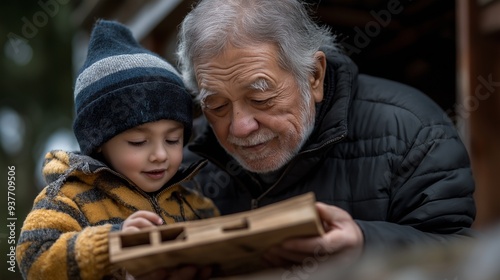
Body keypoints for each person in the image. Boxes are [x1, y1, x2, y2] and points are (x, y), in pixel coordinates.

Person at [176, 0, 476, 272]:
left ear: (314, 76)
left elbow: (464, 254)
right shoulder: (187, 164)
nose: (240, 127)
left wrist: (364, 242)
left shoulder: (413, 132)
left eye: (261, 98)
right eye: (216, 105)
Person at [16, 20, 218, 280]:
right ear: (99, 142)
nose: (160, 155)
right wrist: (112, 244)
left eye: (172, 140)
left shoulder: (192, 202)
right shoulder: (69, 197)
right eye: (138, 142)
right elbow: (33, 257)